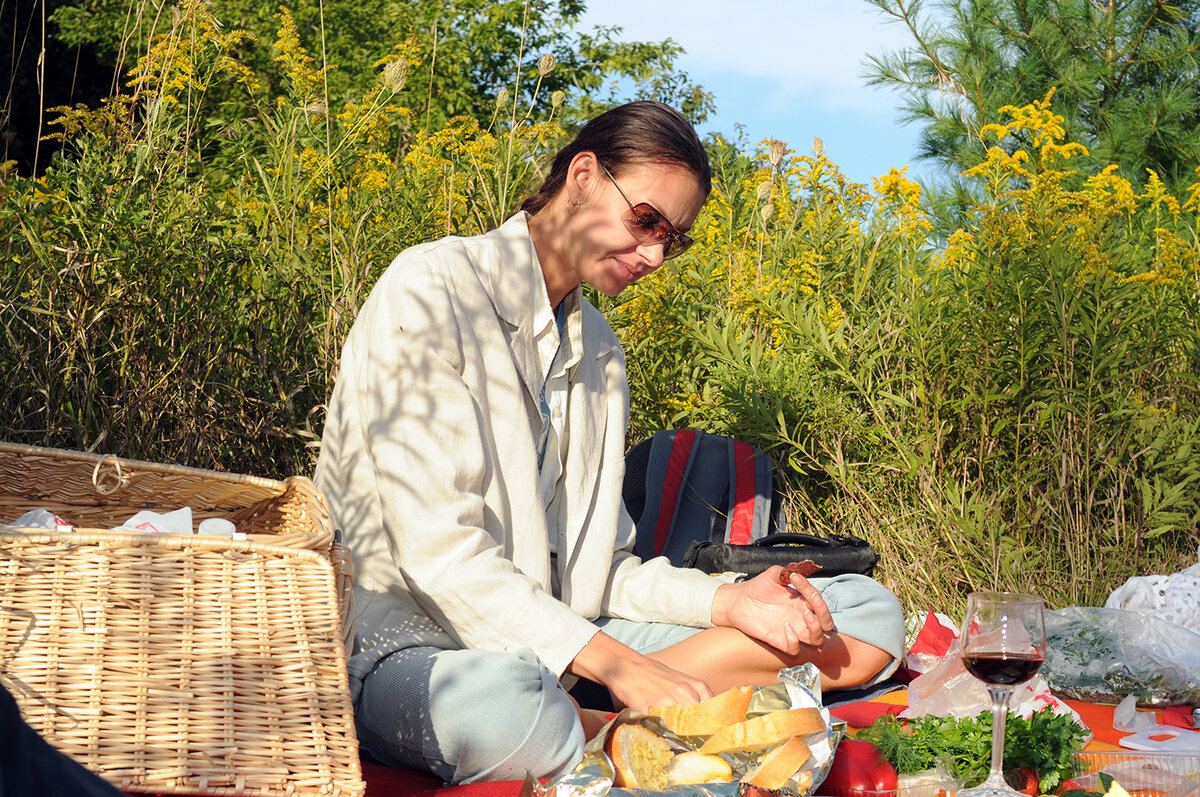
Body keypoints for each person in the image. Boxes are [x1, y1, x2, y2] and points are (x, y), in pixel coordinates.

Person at [314, 100, 905, 786]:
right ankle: (625, 722)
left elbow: (602, 573)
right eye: (646, 220)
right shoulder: (430, 291)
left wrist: (733, 601)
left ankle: (619, 730)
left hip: (566, 643)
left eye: (673, 239)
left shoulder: (599, 350)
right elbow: (437, 560)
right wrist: (621, 664)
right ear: (584, 176)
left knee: (863, 612)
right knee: (509, 707)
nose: (654, 254)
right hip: (416, 653)